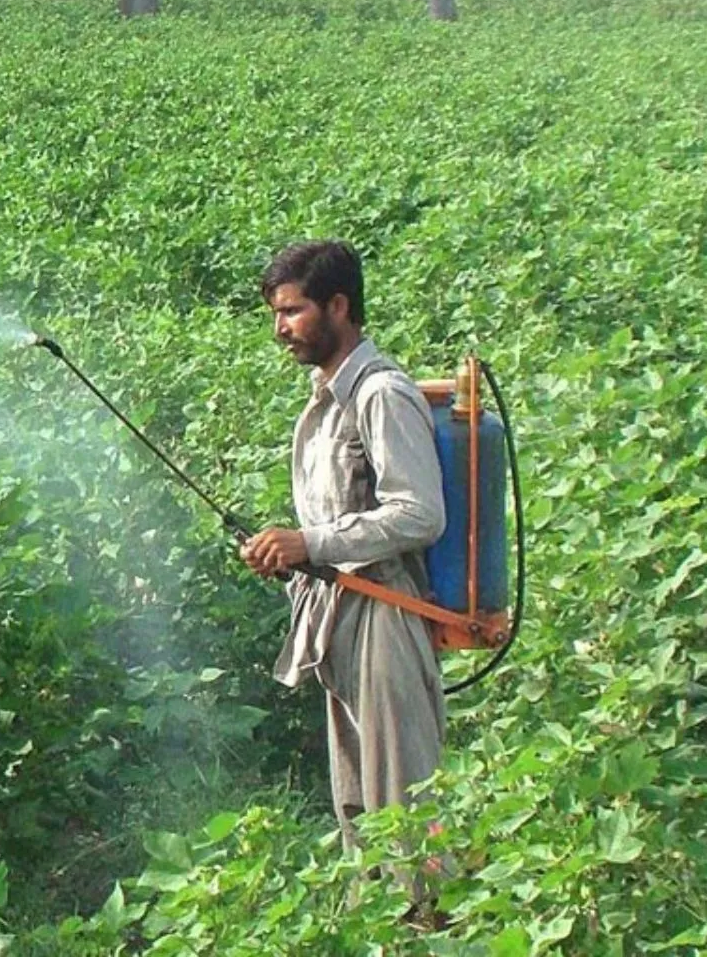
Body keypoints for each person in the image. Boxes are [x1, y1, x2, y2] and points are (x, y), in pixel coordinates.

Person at [238, 240, 448, 913]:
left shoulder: (380, 394)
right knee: (359, 808)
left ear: (339, 306)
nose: (281, 329)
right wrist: (292, 554)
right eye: (276, 313)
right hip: (339, 617)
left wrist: (311, 542)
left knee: (405, 803)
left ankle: (431, 928)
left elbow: (420, 514)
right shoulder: (327, 398)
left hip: (385, 613)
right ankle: (381, 930)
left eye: (293, 311)